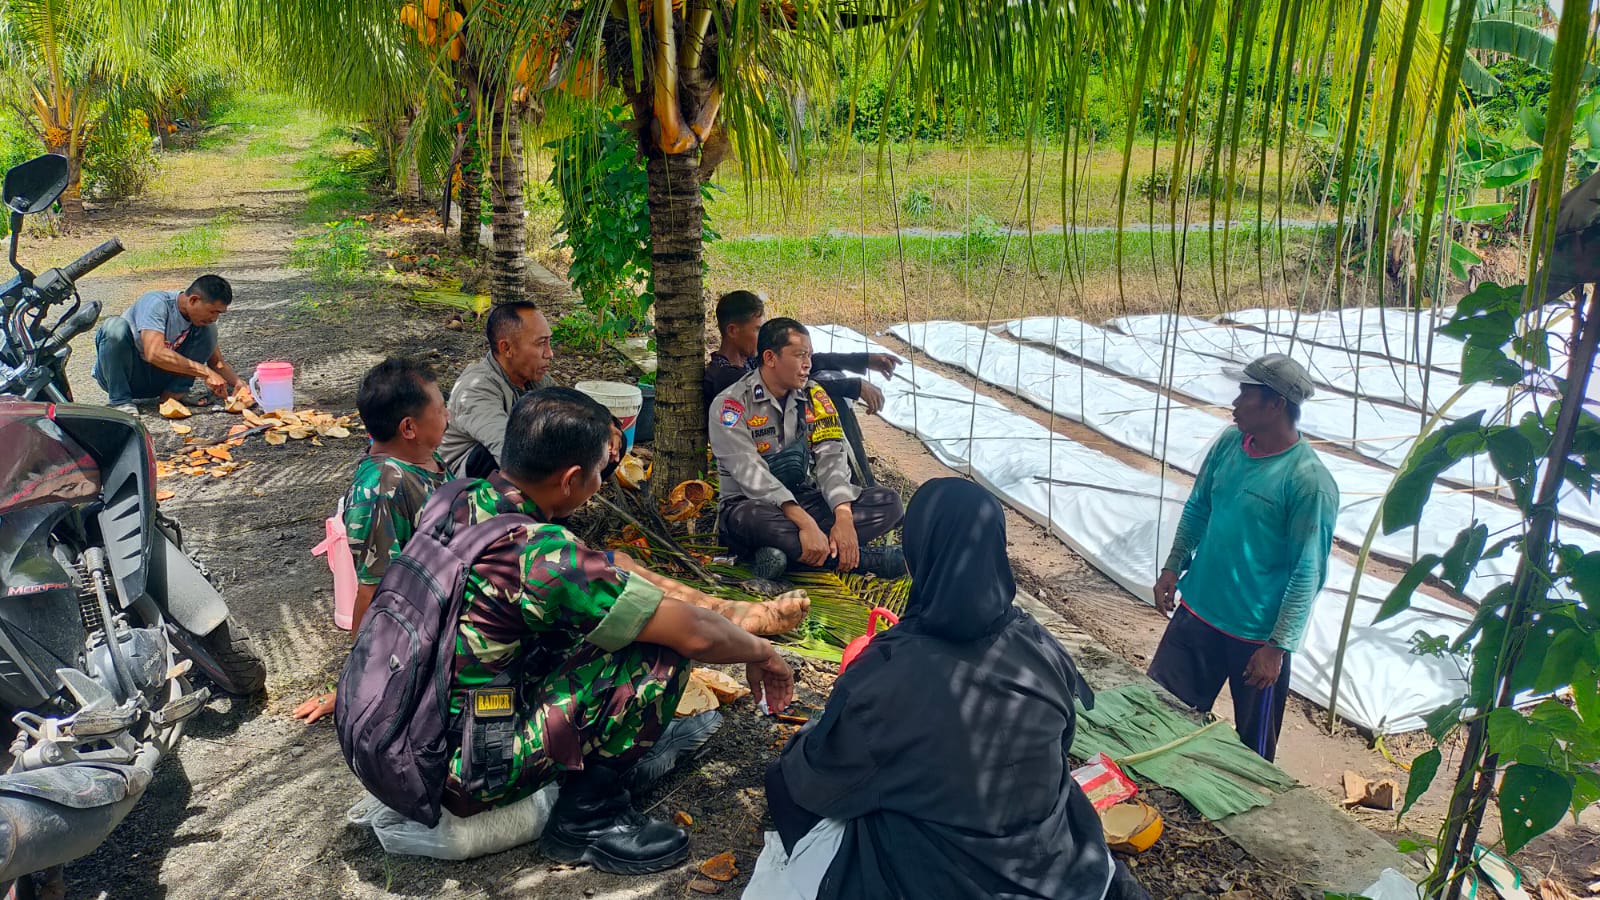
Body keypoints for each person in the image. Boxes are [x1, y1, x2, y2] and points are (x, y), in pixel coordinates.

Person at [434, 387, 808, 875]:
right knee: (660, 652)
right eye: (597, 472)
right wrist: (762, 653)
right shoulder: (543, 555)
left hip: (425, 728)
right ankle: (589, 818)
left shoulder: (459, 498)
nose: (601, 483)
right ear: (570, 479)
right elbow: (693, 631)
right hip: (475, 765)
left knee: (605, 610)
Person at [751, 478, 1147, 900]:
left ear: (915, 557)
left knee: (784, 784)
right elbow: (1061, 744)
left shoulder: (887, 670)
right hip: (1054, 864)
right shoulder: (1042, 647)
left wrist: (812, 734)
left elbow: (819, 779)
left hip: (946, 878)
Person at [1149, 353, 1339, 762]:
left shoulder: (1308, 482)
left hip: (1254, 638)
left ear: (1276, 404)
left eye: (1245, 395)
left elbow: (1307, 570)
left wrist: (1277, 647)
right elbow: (1198, 507)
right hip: (1197, 612)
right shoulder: (1229, 444)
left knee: (1253, 753)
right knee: (1156, 715)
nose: (1235, 404)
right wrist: (1172, 566)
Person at [293, 357, 451, 724]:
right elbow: (374, 592)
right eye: (441, 409)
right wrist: (354, 685)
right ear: (409, 428)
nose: (448, 416)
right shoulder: (381, 490)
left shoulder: (426, 458)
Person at [710, 318, 906, 581]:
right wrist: (804, 522)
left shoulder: (814, 396)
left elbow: (831, 458)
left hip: (802, 499)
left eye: (810, 355)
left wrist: (843, 517)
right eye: (799, 355)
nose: (808, 364)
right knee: (750, 518)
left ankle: (781, 555)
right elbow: (751, 474)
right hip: (752, 508)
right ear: (770, 358)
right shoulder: (731, 405)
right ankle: (862, 560)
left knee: (889, 503)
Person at [704, 290, 898, 485]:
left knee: (827, 379)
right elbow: (792, 386)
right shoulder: (726, 377)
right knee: (826, 396)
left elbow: (814, 361)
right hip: (768, 462)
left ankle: (858, 483)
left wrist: (866, 360)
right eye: (757, 329)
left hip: (783, 444)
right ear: (732, 331)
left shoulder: (749, 361)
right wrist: (854, 386)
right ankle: (862, 485)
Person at [92, 274, 252, 414]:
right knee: (114, 327)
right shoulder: (156, 304)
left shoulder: (200, 321)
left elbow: (216, 363)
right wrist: (205, 372)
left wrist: (238, 383)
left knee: (209, 330)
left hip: (158, 380)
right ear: (193, 300)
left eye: (219, 313)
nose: (214, 318)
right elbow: (154, 353)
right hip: (128, 375)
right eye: (212, 311)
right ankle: (120, 401)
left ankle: (173, 395)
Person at [438, 301, 555, 478]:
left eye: (549, 342)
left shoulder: (532, 377)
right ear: (506, 348)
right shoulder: (475, 389)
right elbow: (508, 451)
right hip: (463, 485)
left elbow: (569, 413)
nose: (549, 353)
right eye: (540, 343)